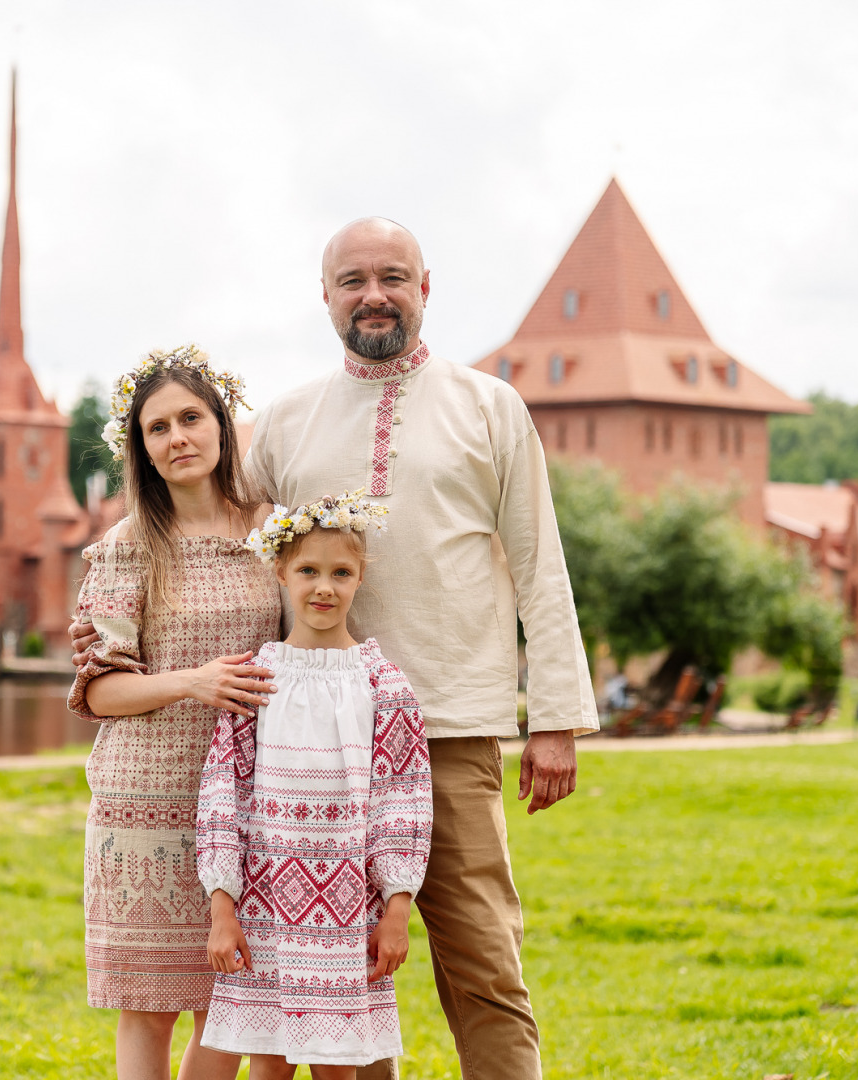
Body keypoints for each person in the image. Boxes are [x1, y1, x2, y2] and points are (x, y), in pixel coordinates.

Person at [72, 221, 597, 1078]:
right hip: (309, 750)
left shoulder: (489, 407)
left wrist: (559, 718)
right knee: (326, 973)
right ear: (326, 297)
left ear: (427, 285)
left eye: (394, 276)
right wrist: (126, 535)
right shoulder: (286, 422)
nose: (374, 294)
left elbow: (542, 566)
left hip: (453, 725)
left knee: (485, 968)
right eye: (353, 279)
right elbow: (204, 508)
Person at [67, 344, 282, 1080]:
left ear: (222, 425)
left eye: (191, 418)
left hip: (252, 796)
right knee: (151, 1004)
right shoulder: (128, 547)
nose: (177, 438)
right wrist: (192, 682)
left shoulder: (271, 531)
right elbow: (100, 692)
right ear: (143, 450)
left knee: (235, 995)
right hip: (146, 799)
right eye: (157, 429)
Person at [195, 492, 433, 1080]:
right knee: (269, 1063)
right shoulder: (254, 681)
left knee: (336, 1066)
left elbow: (404, 801)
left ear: (360, 580)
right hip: (266, 905)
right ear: (280, 572)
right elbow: (223, 795)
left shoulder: (385, 685)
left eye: (340, 573)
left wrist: (397, 907)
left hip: (348, 913)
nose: (323, 587)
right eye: (308, 570)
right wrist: (222, 906)